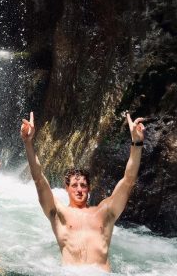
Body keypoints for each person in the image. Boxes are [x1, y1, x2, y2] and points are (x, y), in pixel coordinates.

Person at [20, 111, 145, 271]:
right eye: (74, 185)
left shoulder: (105, 212)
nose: (79, 189)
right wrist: (28, 142)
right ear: (66, 188)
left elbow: (128, 181)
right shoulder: (59, 213)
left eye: (83, 185)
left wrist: (137, 144)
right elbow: (38, 179)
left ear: (89, 188)